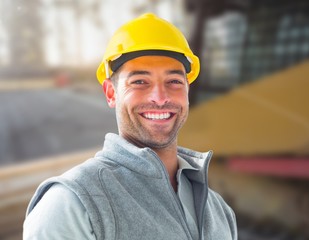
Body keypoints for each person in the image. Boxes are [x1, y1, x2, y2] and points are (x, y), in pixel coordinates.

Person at [23, 13, 237, 240]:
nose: (160, 97)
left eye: (174, 81)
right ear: (111, 93)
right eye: (140, 82)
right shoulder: (73, 204)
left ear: (187, 91)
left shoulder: (219, 211)